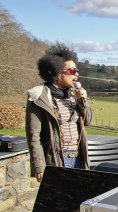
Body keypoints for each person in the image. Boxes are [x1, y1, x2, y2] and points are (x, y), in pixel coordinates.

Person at [26, 43, 92, 182]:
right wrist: (39, 166)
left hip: (80, 157)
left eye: (77, 70)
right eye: (72, 71)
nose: (77, 74)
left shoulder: (74, 95)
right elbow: (33, 135)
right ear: (57, 73)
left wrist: (82, 102)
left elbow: (87, 121)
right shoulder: (39, 97)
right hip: (58, 159)